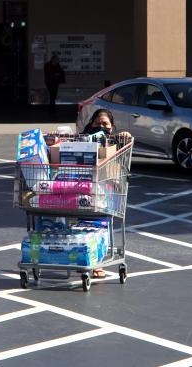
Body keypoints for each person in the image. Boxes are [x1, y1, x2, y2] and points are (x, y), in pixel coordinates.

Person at [81, 107, 115, 279]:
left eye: (105, 124)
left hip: (103, 193)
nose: (101, 126)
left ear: (112, 127)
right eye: (97, 123)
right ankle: (83, 259)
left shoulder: (115, 141)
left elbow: (127, 142)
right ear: (91, 125)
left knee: (99, 226)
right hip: (82, 191)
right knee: (82, 227)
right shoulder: (84, 141)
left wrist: (125, 137)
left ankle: (97, 263)